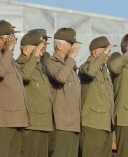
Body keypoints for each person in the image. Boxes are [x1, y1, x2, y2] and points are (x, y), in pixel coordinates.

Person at [0, 20, 28, 157]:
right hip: (1, 120)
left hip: (16, 118)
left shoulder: (9, 60)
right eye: (10, 38)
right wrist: (8, 50)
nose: (14, 42)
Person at [16, 31, 54, 157]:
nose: (41, 53)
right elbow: (24, 77)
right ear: (26, 50)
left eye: (42, 49)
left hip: (44, 123)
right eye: (38, 49)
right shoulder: (19, 66)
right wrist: (33, 59)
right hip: (30, 124)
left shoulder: (39, 69)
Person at [45, 28, 81, 157]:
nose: (74, 48)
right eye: (71, 44)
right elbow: (61, 77)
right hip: (61, 124)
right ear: (59, 45)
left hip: (73, 123)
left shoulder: (69, 66)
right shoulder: (52, 63)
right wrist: (71, 58)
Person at [78, 36, 116, 157]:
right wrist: (102, 56)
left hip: (106, 124)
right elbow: (90, 72)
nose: (108, 54)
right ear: (95, 52)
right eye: (105, 50)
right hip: (92, 124)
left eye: (109, 51)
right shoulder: (85, 67)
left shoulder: (105, 72)